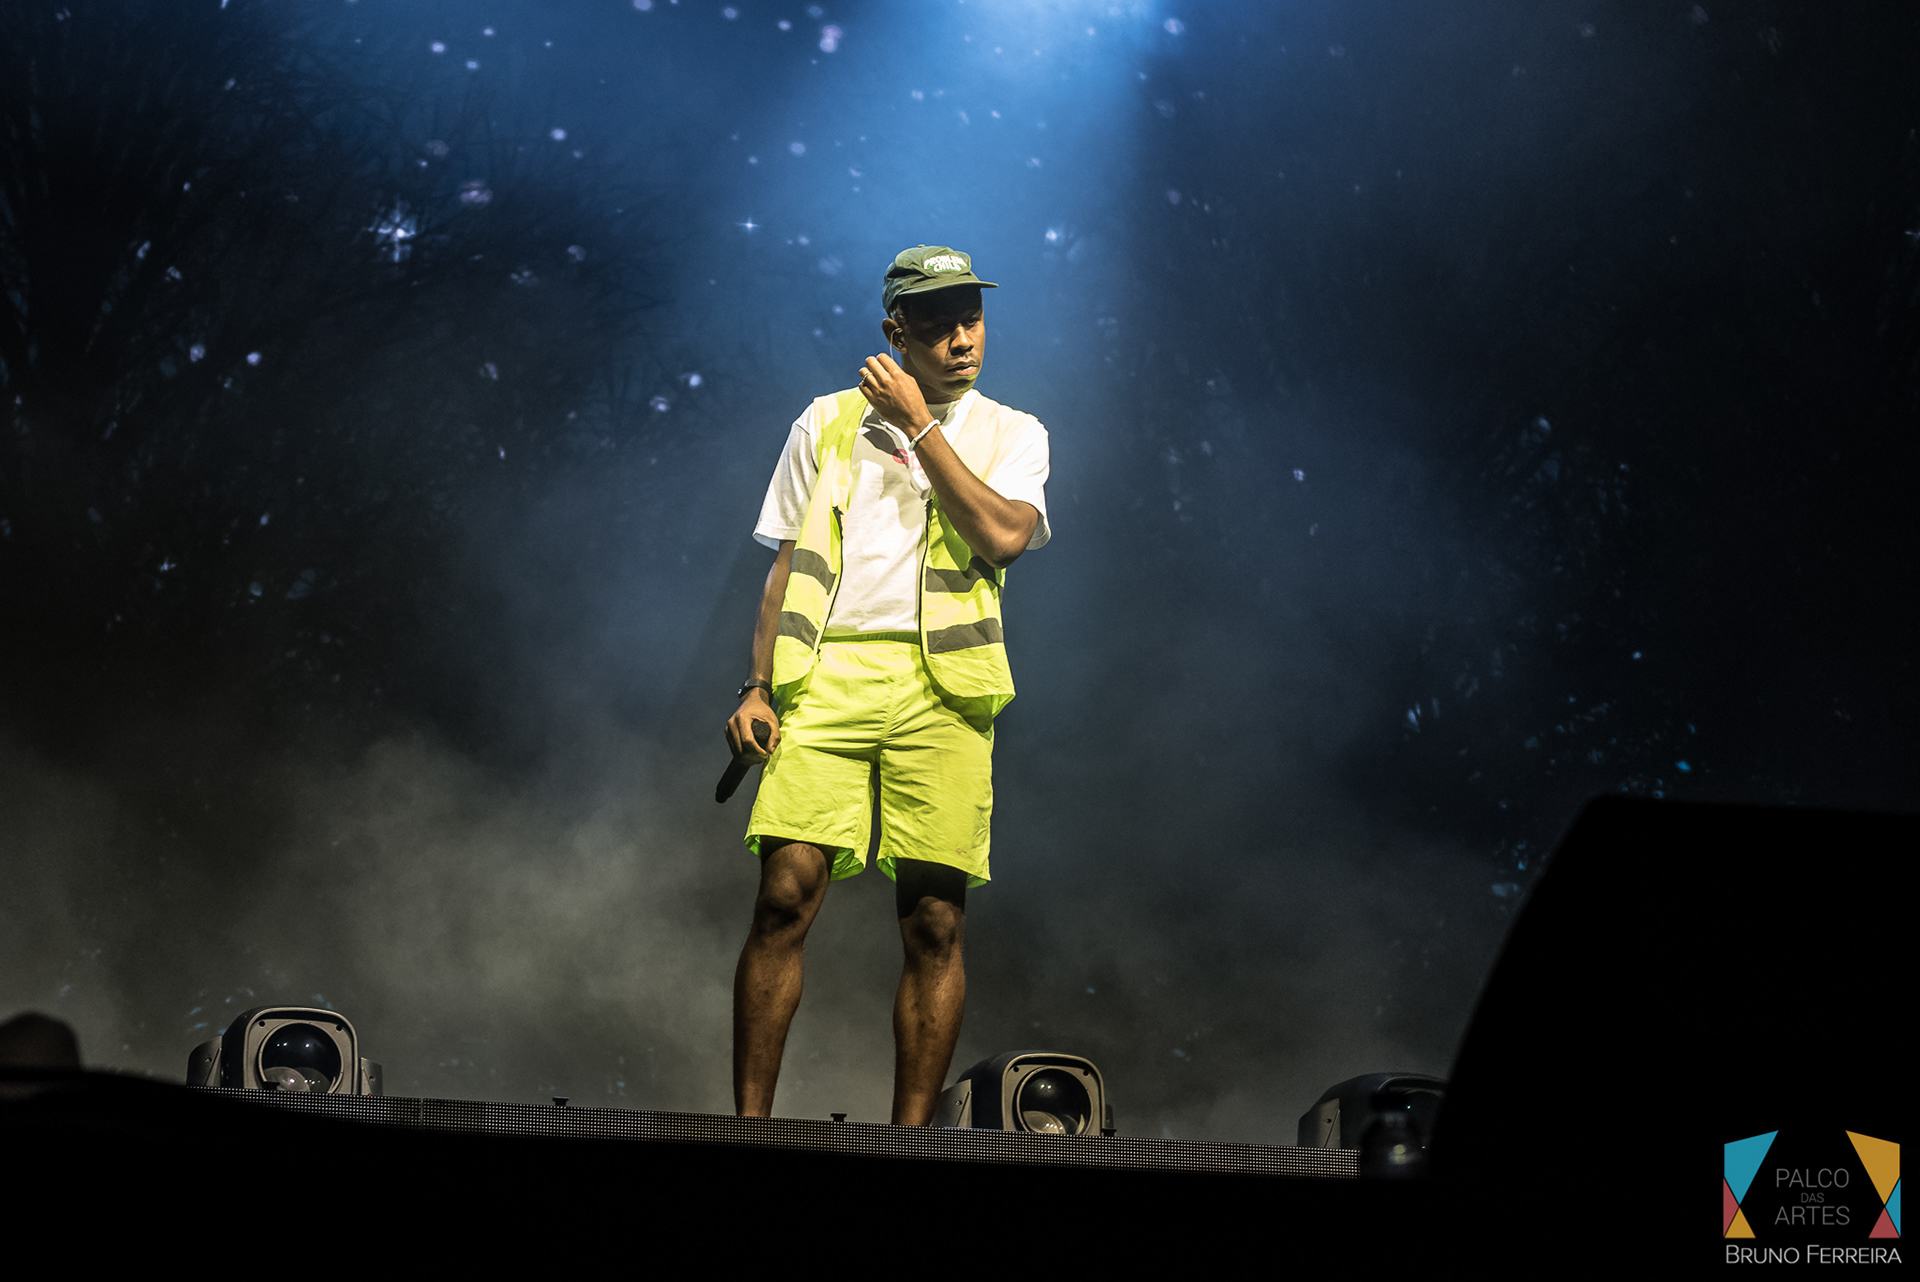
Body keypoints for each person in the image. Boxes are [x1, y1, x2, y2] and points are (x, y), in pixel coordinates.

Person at [725, 245, 1051, 1125]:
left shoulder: (1013, 432)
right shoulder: (825, 420)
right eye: (938, 324)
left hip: (944, 687)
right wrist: (756, 687)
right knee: (783, 895)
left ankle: (911, 1144)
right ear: (895, 331)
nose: (961, 339)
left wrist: (920, 426)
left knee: (935, 921)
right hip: (827, 675)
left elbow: (1004, 537)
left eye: (971, 319)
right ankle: (748, 1130)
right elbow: (785, 566)